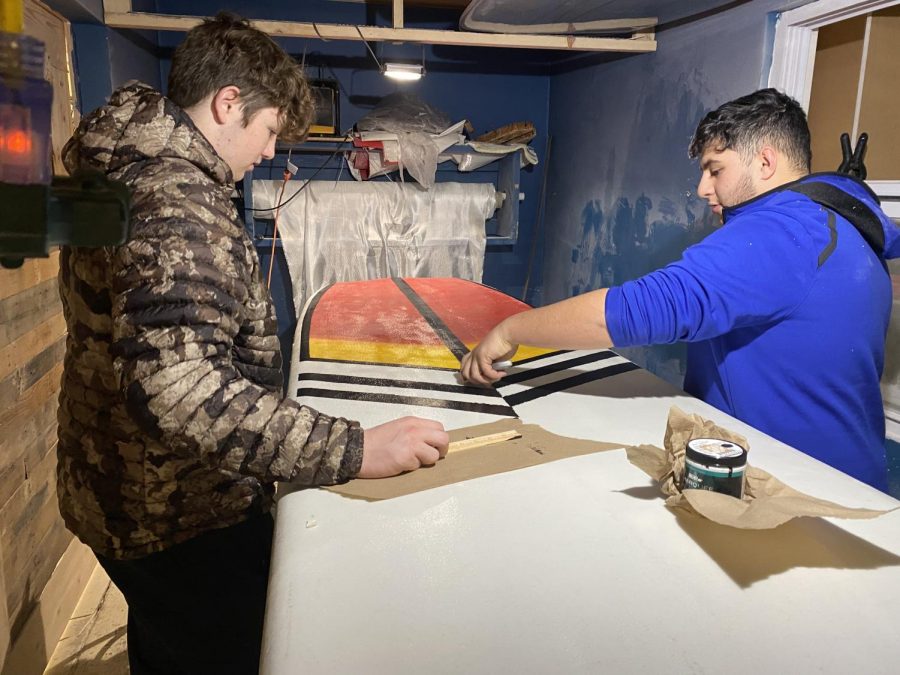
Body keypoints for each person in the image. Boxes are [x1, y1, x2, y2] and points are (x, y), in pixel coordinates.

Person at [57, 12, 448, 675]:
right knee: (235, 647)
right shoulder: (173, 196)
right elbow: (180, 393)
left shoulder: (133, 166)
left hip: (120, 483)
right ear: (227, 102)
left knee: (168, 639)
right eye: (268, 130)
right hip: (172, 510)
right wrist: (353, 447)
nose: (270, 152)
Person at [462, 88, 899, 492]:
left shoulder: (782, 233)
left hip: (802, 486)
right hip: (847, 471)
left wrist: (509, 330)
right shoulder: (842, 224)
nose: (702, 188)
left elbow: (635, 311)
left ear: (765, 163)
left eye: (715, 170)